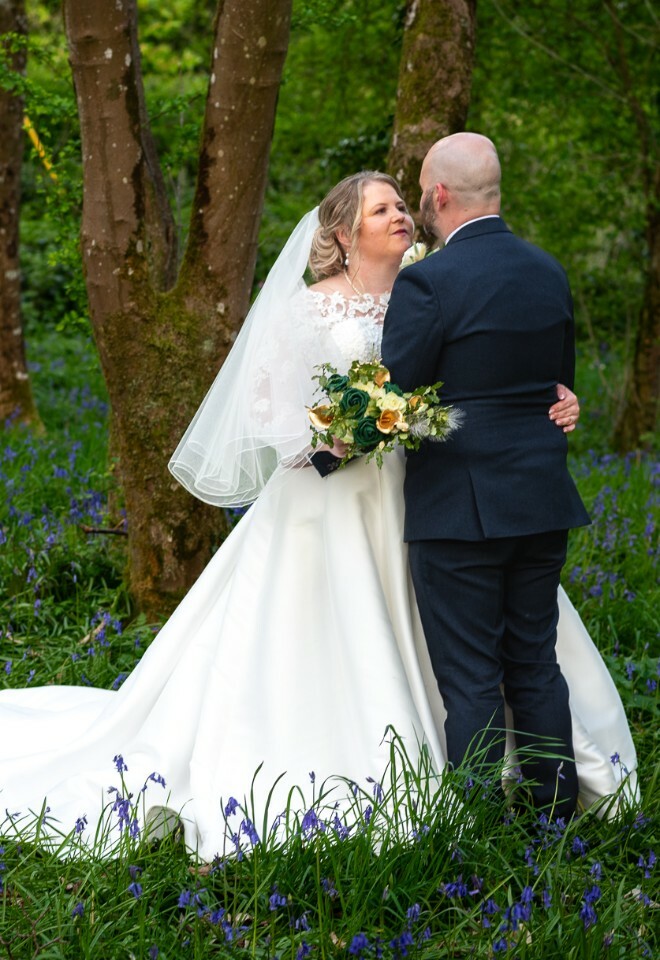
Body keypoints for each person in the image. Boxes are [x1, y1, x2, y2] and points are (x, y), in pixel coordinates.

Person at [0, 172, 635, 860]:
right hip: (334, 496)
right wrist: (333, 434)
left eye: (403, 203)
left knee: (468, 640)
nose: (400, 214)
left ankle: (504, 788)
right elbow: (267, 407)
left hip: (433, 492)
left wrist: (557, 397)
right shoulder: (312, 309)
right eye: (382, 207)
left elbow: (488, 373)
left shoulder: (436, 283)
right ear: (342, 232)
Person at [381, 133, 595, 819]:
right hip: (541, 499)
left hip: (458, 507)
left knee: (470, 678)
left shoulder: (429, 281)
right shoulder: (547, 272)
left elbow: (397, 393)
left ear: (437, 195)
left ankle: (473, 829)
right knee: (534, 661)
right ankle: (553, 816)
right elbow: (559, 383)